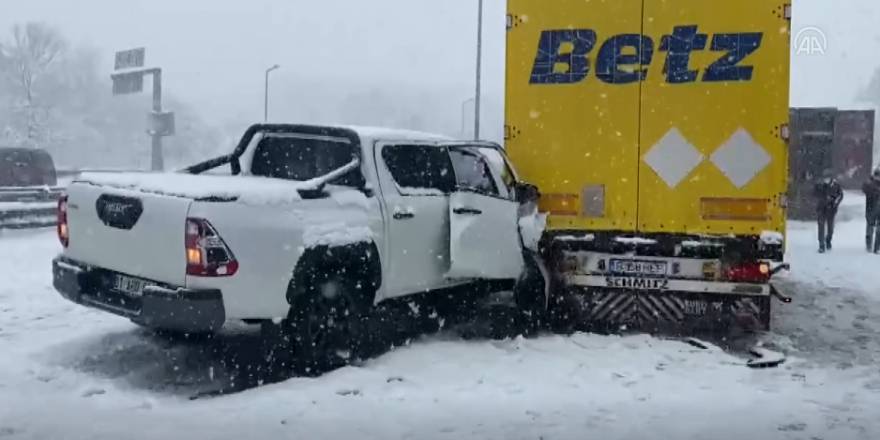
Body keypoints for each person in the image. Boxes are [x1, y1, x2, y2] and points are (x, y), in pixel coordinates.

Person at [813, 169, 843, 253]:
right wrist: (822, 197)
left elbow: (840, 195)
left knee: (830, 229)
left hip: (831, 209)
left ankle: (828, 240)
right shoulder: (819, 184)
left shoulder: (836, 185)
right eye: (825, 177)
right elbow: (814, 193)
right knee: (821, 226)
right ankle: (821, 245)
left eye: (828, 177)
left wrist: (835, 201)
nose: (826, 179)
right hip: (821, 209)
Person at [863, 168, 880, 252]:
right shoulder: (870, 184)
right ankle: (872, 245)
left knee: (874, 228)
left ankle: (874, 246)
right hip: (871, 208)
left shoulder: (871, 184)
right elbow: (865, 189)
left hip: (874, 209)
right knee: (871, 227)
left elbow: (865, 188)